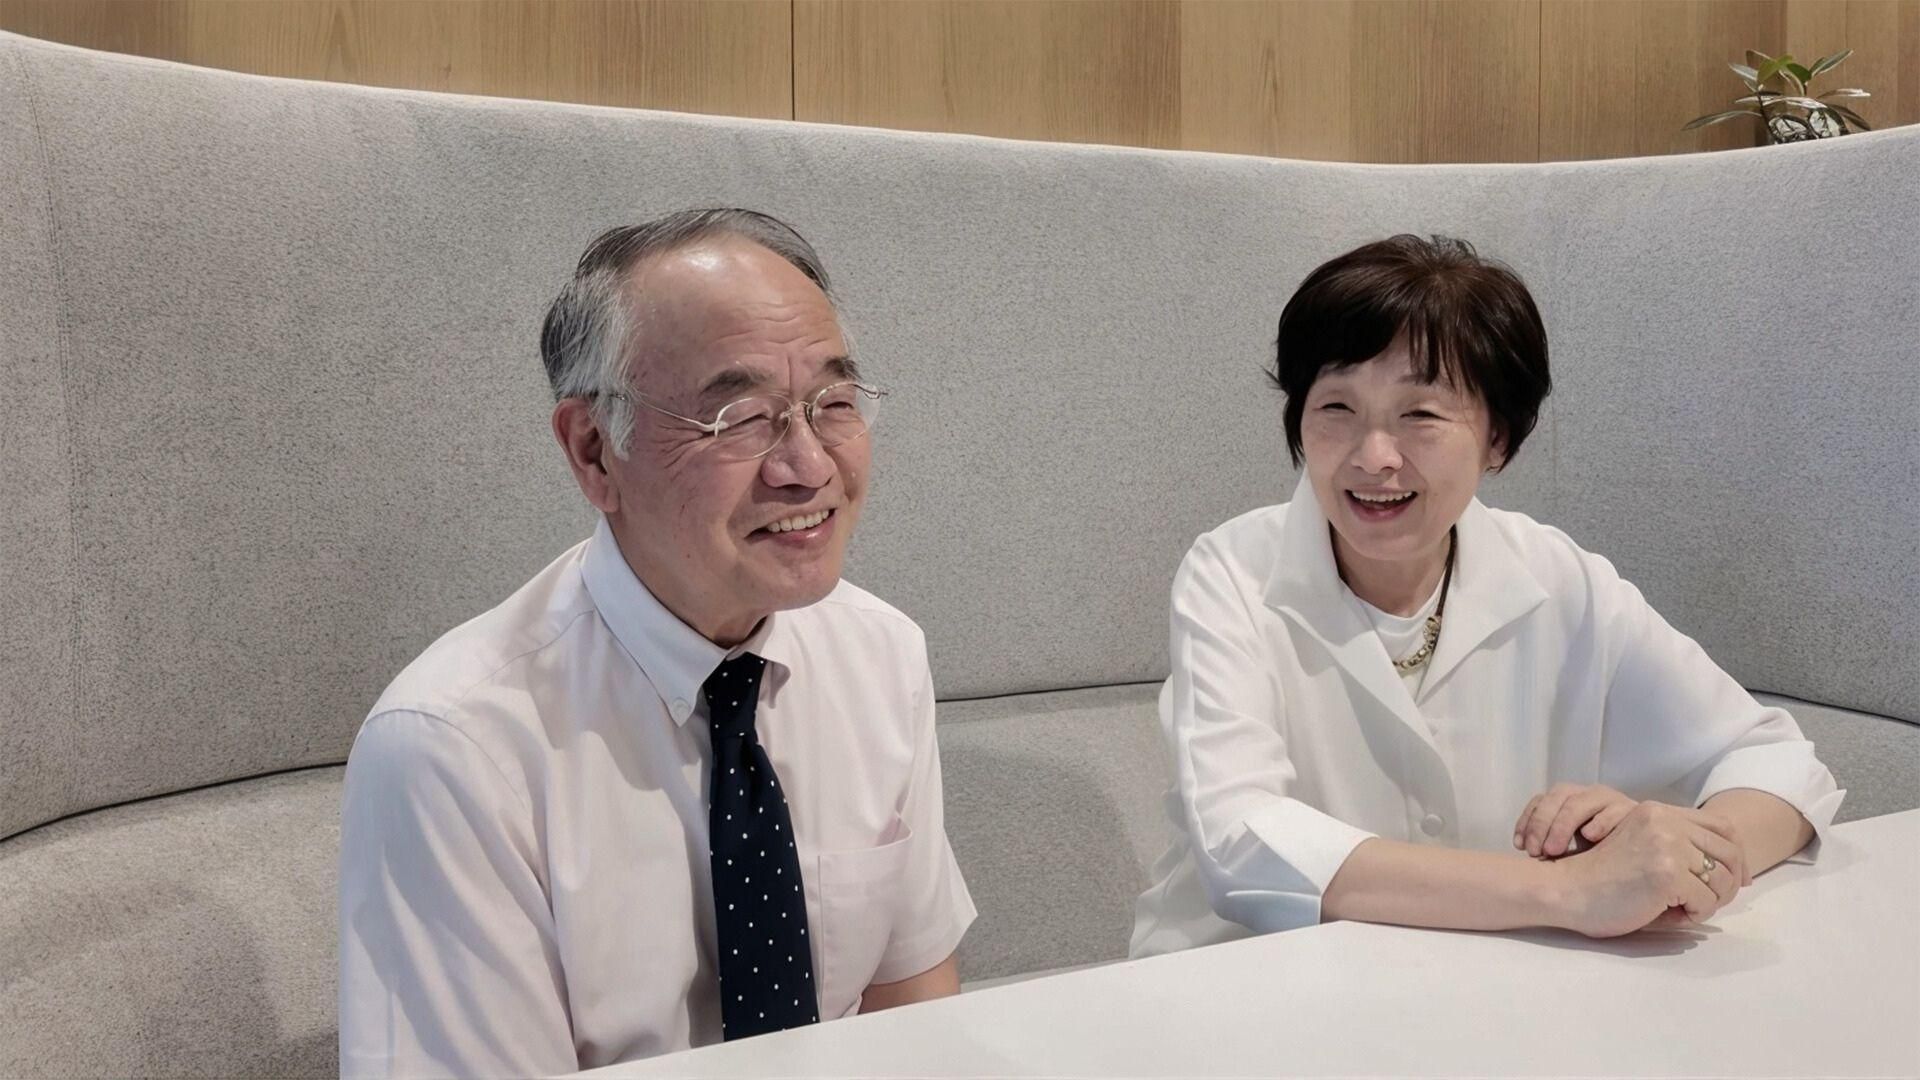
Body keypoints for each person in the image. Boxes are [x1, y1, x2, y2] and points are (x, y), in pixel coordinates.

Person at [338, 209, 975, 1076]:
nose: (809, 466)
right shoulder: (455, 747)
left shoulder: (881, 654)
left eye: (831, 404)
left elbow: (914, 1010)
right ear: (595, 451)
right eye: (743, 418)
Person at [1131, 234, 1841, 956]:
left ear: (1497, 438)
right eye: (1336, 407)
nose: (1374, 455)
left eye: (1420, 416)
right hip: (1240, 984)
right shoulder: (1230, 573)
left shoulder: (1558, 577)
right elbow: (1242, 838)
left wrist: (1673, 852)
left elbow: (1775, 761)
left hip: (1483, 989)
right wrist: (1572, 890)